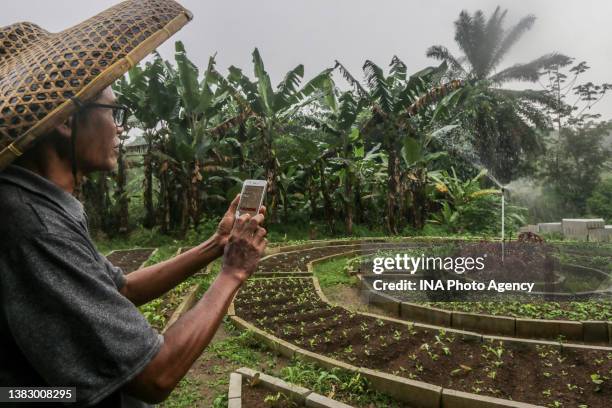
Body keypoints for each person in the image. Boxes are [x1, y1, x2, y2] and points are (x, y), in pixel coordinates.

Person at [0, 1, 266, 406]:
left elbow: (121, 289)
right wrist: (232, 272)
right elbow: (156, 375)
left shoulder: (35, 202)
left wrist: (217, 244)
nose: (120, 126)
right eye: (113, 110)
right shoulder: (35, 226)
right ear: (65, 121)